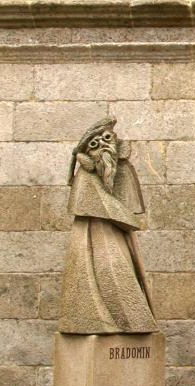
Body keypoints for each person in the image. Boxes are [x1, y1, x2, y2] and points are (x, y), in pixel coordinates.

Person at [58, 117, 157, 334]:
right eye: (94, 144)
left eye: (106, 139)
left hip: (114, 235)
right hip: (95, 237)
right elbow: (104, 207)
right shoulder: (86, 176)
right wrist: (130, 220)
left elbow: (127, 204)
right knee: (111, 270)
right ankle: (123, 321)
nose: (102, 146)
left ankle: (130, 322)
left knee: (119, 273)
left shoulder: (119, 169)